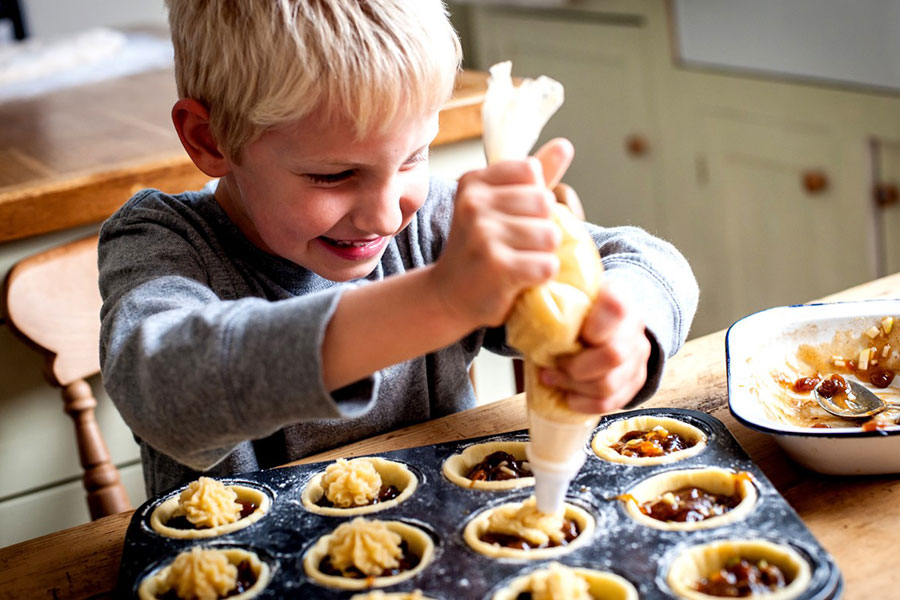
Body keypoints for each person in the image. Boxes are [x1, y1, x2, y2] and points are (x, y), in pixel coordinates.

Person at [98, 0, 699, 497]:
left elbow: (650, 261)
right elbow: (166, 387)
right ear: (210, 139)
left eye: (413, 156)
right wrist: (440, 300)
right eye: (333, 176)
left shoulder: (435, 220)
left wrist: (625, 333)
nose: (387, 214)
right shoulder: (162, 242)